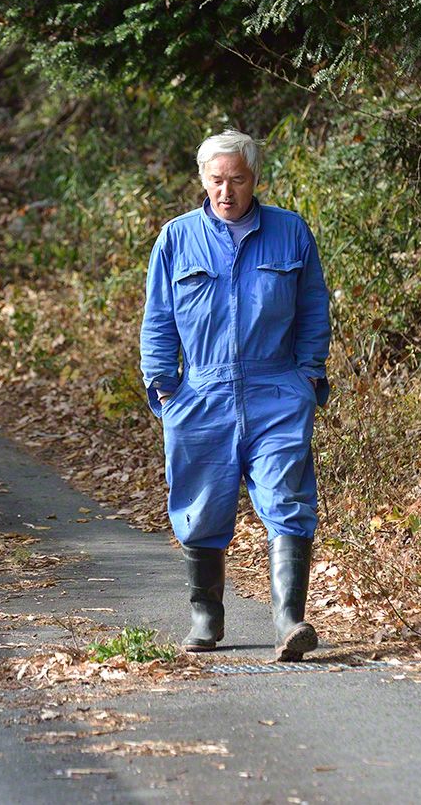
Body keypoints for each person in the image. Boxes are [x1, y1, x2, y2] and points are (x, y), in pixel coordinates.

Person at [139, 129, 331, 661]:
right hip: (200, 392)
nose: (227, 192)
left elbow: (314, 309)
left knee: (287, 500)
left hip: (276, 389)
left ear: (254, 180)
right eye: (217, 181)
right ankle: (206, 616)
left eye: (238, 180)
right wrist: (164, 388)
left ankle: (289, 620)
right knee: (201, 508)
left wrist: (307, 378)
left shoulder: (290, 233)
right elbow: (158, 320)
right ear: (203, 180)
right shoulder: (176, 239)